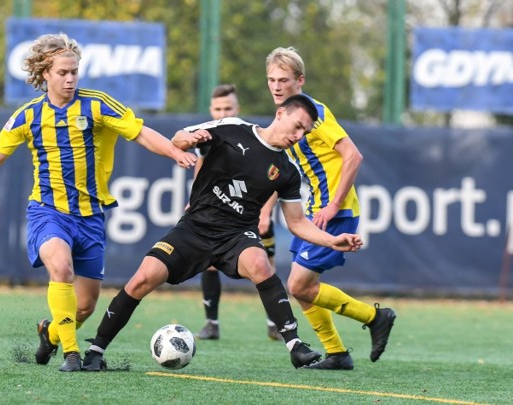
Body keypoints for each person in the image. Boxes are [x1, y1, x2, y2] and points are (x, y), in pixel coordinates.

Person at [0, 33, 197, 372]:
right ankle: (70, 354)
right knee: (61, 268)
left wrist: (173, 152)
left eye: (74, 72)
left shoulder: (97, 104)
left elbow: (138, 132)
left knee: (84, 306)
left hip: (90, 217)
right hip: (47, 212)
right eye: (62, 72)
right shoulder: (28, 116)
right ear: (45, 74)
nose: (69, 79)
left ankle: (49, 333)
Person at [82, 94, 364, 372]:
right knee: (141, 280)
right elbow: (179, 138)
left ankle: (295, 346)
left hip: (237, 235)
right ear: (280, 114)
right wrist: (190, 140)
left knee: (259, 263)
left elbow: (297, 223)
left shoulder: (287, 171)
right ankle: (96, 350)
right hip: (194, 227)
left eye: (305, 131)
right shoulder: (232, 128)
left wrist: (332, 240)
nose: (299, 135)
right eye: (297, 125)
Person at [265, 47, 396, 370]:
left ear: (300, 80)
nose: (276, 86)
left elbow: (353, 155)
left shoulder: (316, 114)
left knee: (298, 285)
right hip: (315, 211)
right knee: (302, 288)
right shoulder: (285, 115)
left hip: (333, 212)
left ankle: (375, 317)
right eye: (271, 79)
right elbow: (279, 166)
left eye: (284, 79)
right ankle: (337, 353)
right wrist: (264, 209)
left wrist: (334, 204)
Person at [195, 84, 282, 341]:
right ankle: (212, 323)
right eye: (218, 109)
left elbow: (276, 176)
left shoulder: (252, 136)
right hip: (219, 214)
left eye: (228, 108)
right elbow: (201, 167)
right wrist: (195, 201)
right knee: (209, 263)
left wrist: (266, 213)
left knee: (266, 266)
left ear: (238, 109)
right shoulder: (206, 137)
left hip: (253, 213)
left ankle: (274, 324)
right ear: (211, 110)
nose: (222, 113)